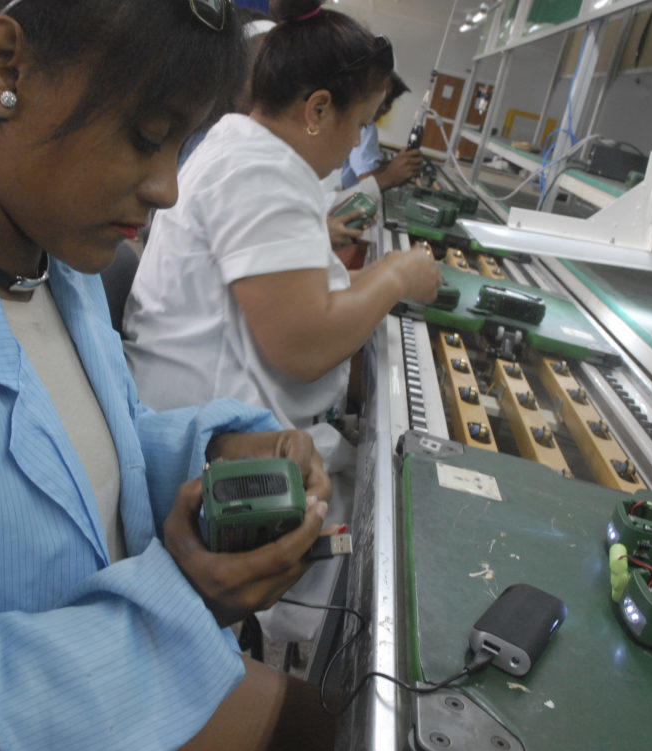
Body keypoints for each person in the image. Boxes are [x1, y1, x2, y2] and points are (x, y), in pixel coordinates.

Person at [0, 1, 339, 750]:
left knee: (340, 723)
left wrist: (220, 454)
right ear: (7, 69)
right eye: (147, 137)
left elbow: (90, 450)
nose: (167, 187)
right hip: (88, 702)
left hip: (116, 689)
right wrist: (180, 605)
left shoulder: (46, 268)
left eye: (181, 143)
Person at [123, 0, 441, 439]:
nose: (354, 145)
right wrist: (396, 279)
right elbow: (305, 346)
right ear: (318, 110)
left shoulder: (250, 147)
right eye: (359, 124)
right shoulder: (262, 173)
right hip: (204, 443)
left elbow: (309, 297)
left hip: (206, 418)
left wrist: (389, 273)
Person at [339, 72, 423, 196]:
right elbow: (367, 177)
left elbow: (368, 168)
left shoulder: (360, 121)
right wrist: (392, 176)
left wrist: (396, 165)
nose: (357, 141)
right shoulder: (367, 126)